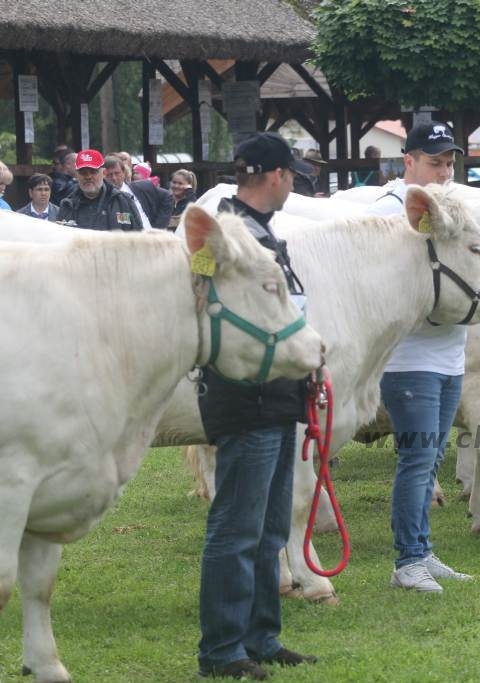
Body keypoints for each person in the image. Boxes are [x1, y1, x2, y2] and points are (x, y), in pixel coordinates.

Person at [196, 131, 318, 680]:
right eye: (292, 174)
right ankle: (223, 651)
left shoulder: (253, 233)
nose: (293, 182)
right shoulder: (234, 237)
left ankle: (261, 636)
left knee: (268, 528)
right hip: (248, 394)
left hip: (277, 392)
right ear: (277, 176)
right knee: (238, 529)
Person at [365, 121, 476, 592]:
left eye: (449, 162)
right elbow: (383, 285)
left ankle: (422, 552)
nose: (444, 171)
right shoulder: (390, 210)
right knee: (416, 459)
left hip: (449, 352)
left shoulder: (452, 204)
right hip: (408, 357)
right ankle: (407, 562)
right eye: (434, 162)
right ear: (407, 160)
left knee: (431, 460)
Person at [56, 149, 144, 231]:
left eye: (93, 172)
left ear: (104, 173)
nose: (88, 177)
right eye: (83, 173)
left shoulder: (124, 201)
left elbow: (138, 237)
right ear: (77, 175)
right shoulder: (67, 205)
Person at [102, 155, 173, 229]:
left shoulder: (143, 187)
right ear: (103, 176)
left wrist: (158, 228)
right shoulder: (102, 200)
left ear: (123, 173)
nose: (114, 178)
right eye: (109, 175)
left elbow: (167, 196)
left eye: (117, 173)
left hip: (152, 236)